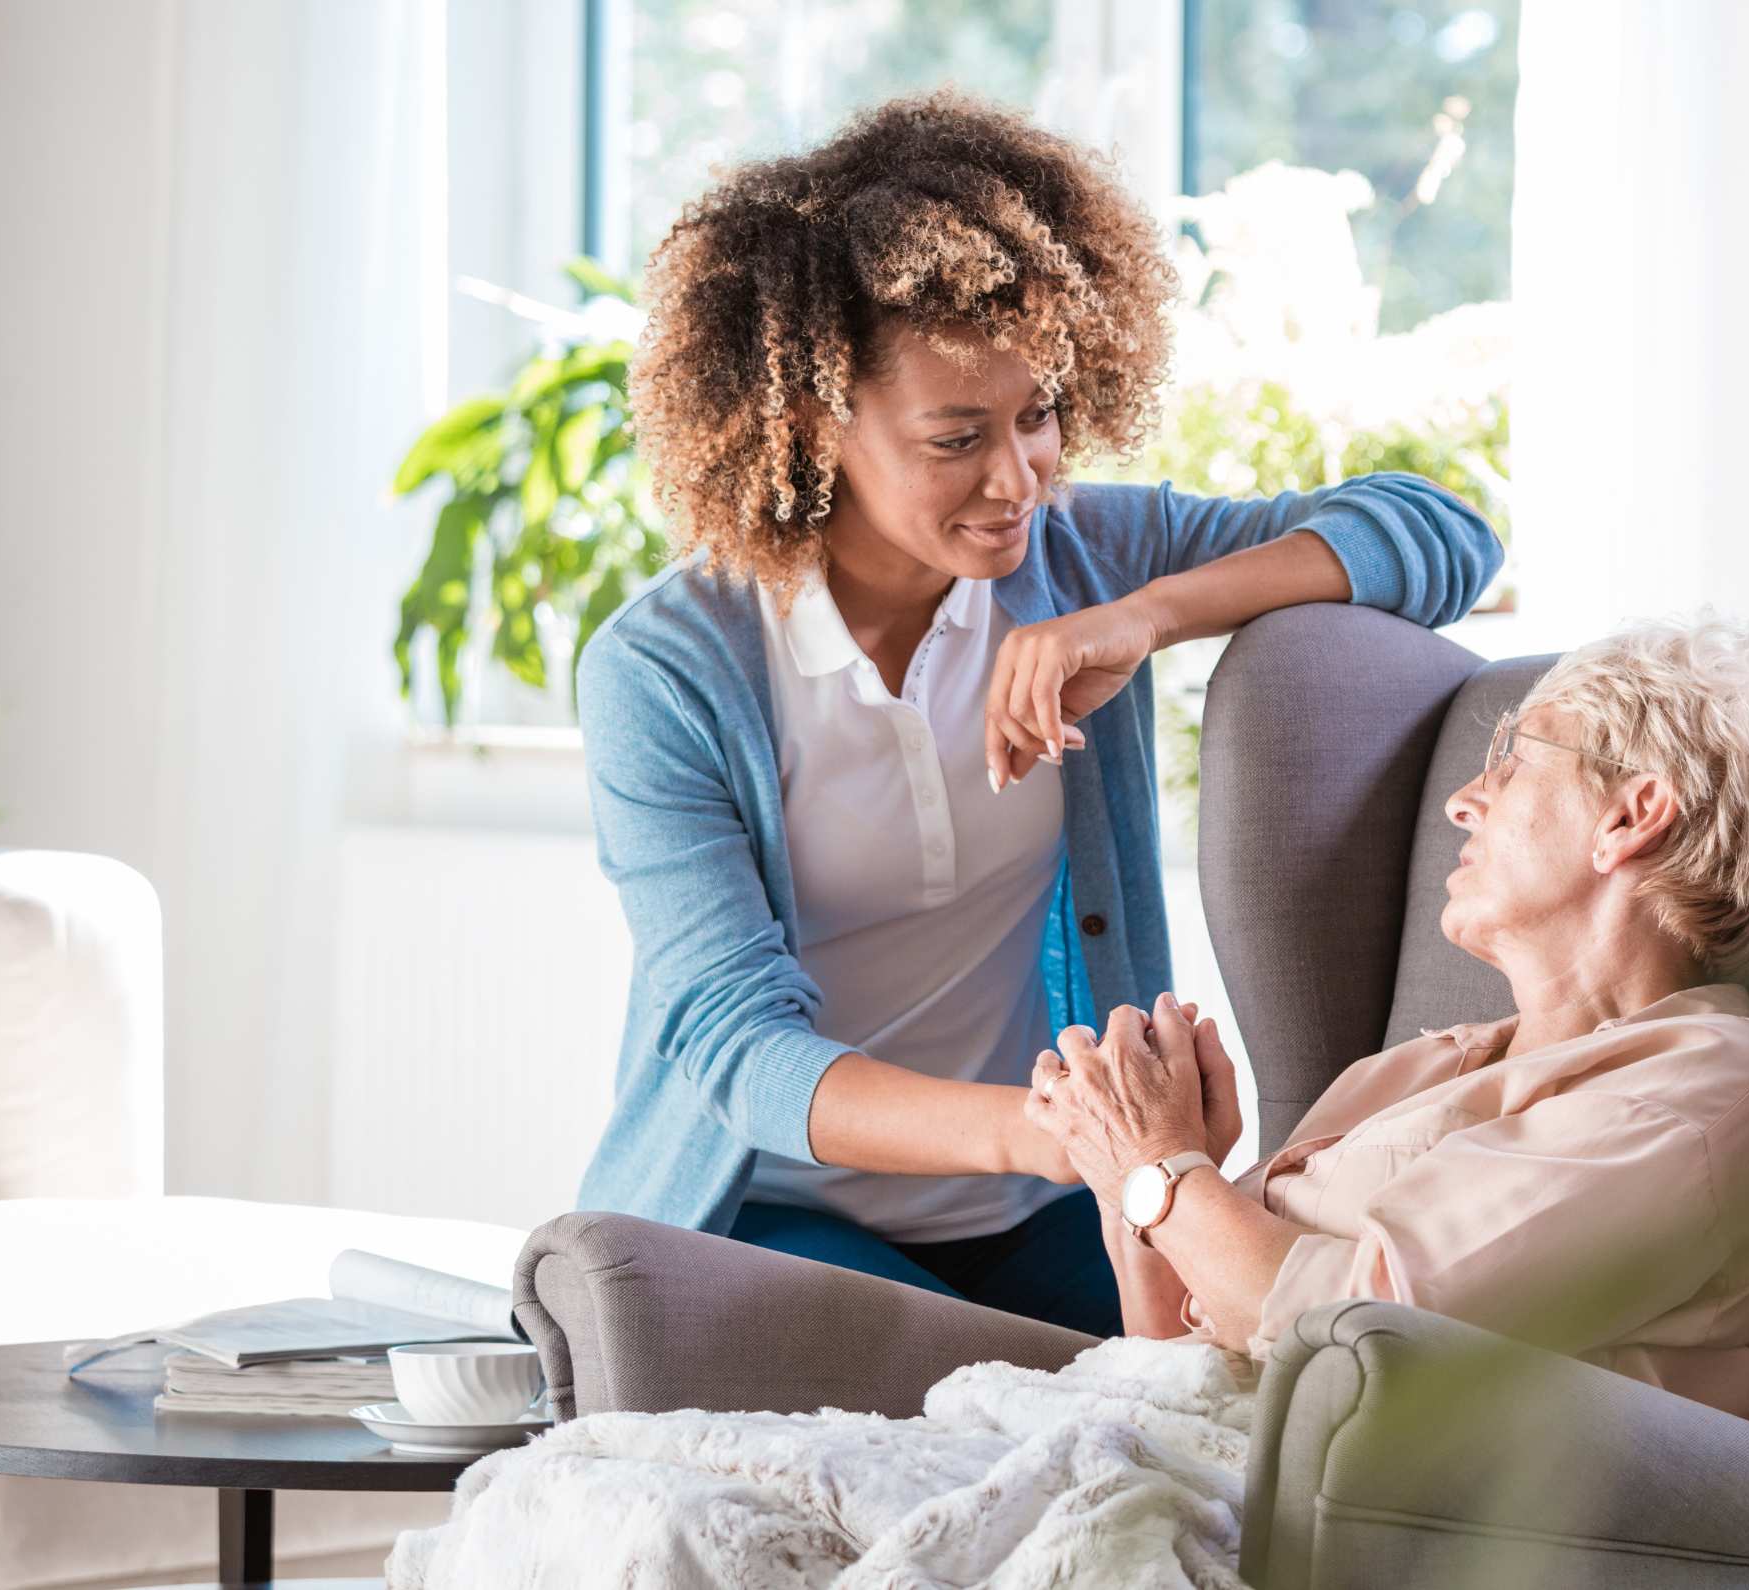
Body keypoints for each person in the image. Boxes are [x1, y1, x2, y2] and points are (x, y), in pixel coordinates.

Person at [572, 88, 1505, 1340]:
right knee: (991, 1403)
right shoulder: (670, 669)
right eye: (957, 437)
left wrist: (1148, 616)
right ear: (812, 422)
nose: (1017, 480)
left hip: (1040, 1207)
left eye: (1040, 414)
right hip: (772, 1211)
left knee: (1275, 1367)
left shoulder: (1081, 560)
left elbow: (1442, 536)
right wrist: (1066, 1133)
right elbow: (740, 1054)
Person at [1029, 615, 1749, 1423]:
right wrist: (1127, 1169)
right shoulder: (1414, 1070)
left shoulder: (1696, 1092)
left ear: (1630, 816)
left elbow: (1357, 1346)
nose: (1464, 801)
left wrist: (1160, 1166)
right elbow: (1168, 1356)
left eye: (1515, 763)